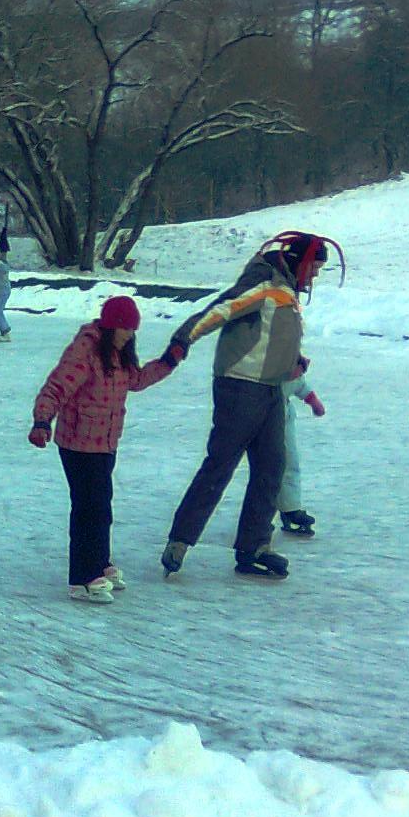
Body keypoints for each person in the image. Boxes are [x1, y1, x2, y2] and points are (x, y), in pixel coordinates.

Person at [159, 230, 344, 581]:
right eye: (315, 268)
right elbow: (221, 310)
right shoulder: (264, 283)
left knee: (272, 467)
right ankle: (180, 540)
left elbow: (268, 334)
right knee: (220, 466)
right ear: (299, 262)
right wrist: (182, 341)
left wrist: (292, 359)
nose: (315, 275)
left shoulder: (285, 289)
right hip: (240, 387)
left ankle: (254, 547)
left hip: (272, 389)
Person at [28, 296, 175, 603]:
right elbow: (57, 386)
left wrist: (169, 361)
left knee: (101, 507)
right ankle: (82, 579)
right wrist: (42, 420)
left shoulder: (118, 353)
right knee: (87, 508)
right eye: (125, 329)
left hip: (104, 443)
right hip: (77, 443)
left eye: (133, 329)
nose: (130, 335)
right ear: (111, 326)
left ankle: (100, 562)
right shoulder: (86, 349)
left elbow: (136, 381)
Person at [276, 370, 327, 536]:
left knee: (288, 463)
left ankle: (289, 508)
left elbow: (297, 381)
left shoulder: (290, 356)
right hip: (252, 406)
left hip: (281, 413)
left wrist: (313, 400)